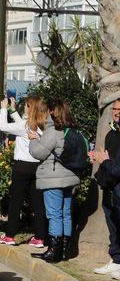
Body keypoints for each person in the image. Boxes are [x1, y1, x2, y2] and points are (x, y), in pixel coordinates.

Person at [29, 100, 84, 263]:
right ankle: (66, 250)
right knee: (66, 214)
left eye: (47, 111)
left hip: (53, 179)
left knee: (54, 214)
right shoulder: (70, 130)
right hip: (70, 177)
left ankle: (54, 252)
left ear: (52, 112)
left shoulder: (52, 131)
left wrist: (33, 139)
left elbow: (39, 152)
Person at [0, 95, 48, 247]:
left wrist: (4, 109)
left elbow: (4, 127)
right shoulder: (42, 126)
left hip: (21, 167)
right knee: (38, 202)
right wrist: (13, 109)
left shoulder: (25, 126)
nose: (24, 107)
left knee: (15, 201)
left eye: (26, 105)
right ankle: (40, 237)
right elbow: (20, 124)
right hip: (37, 166)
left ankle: (10, 235)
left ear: (30, 108)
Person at [90, 98, 120, 279]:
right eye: (114, 109)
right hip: (109, 186)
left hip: (118, 187)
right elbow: (109, 160)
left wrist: (106, 161)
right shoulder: (111, 133)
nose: (116, 112)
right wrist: (98, 158)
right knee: (113, 228)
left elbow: (116, 167)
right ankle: (116, 260)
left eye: (119, 109)